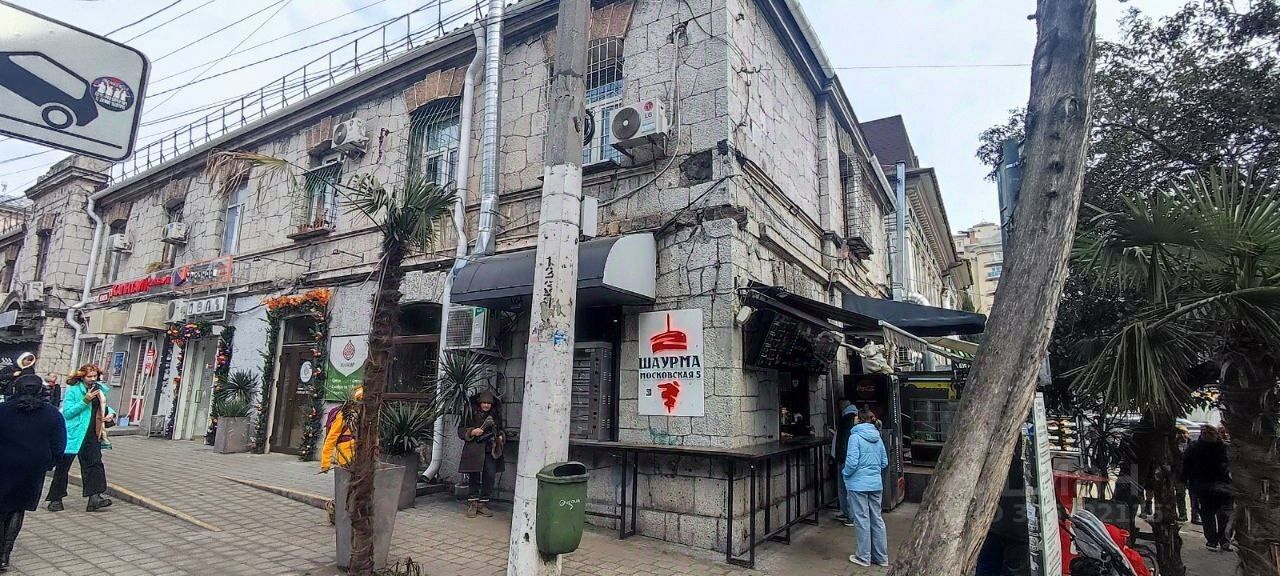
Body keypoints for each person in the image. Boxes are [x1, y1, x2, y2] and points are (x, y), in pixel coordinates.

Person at [0, 375, 66, 571]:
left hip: (3, 464)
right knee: (18, 507)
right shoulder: (52, 414)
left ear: (15, 389)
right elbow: (59, 444)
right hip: (32, 467)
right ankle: (4, 555)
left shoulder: (3, 410)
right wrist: (49, 464)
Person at [46, 364, 115, 513]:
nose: (93, 379)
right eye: (89, 376)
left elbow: (103, 407)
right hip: (74, 433)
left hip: (92, 433)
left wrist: (110, 413)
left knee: (94, 465)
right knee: (63, 467)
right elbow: (68, 413)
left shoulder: (100, 389)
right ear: (82, 377)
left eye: (95, 376)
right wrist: (85, 401)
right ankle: (56, 499)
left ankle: (94, 498)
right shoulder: (73, 390)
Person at [843, 407, 889, 567]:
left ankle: (863, 557)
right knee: (877, 519)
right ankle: (881, 557)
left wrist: (845, 473)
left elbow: (851, 463)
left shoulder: (854, 437)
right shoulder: (878, 436)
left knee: (862, 520)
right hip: (875, 484)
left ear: (859, 419)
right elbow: (884, 462)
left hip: (858, 484)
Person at [1182, 424, 1231, 551]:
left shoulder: (1223, 448)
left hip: (1222, 487)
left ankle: (1223, 540)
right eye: (1204, 433)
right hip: (1204, 487)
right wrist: (1185, 480)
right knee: (1208, 515)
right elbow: (1186, 465)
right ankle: (1212, 540)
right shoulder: (1195, 447)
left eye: (1209, 433)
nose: (1206, 435)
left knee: (1224, 516)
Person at [457, 389, 504, 518]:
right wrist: (472, 432)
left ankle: (482, 504)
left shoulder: (495, 414)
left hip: (490, 449)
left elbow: (501, 429)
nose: (486, 405)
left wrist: (500, 436)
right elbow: (460, 431)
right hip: (474, 449)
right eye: (484, 403)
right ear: (479, 403)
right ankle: (473, 503)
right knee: (474, 475)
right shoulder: (470, 413)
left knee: (490, 475)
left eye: (489, 403)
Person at [831, 399, 858, 527]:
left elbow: (844, 441)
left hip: (844, 458)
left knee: (845, 488)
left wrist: (840, 457)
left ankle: (849, 515)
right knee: (846, 488)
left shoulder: (846, 419)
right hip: (847, 458)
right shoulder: (853, 418)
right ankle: (847, 513)